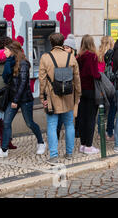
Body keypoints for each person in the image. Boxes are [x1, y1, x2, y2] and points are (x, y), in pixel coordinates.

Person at [0, 41, 45, 158]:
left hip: (24, 100)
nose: (4, 52)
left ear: (13, 51)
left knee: (29, 123)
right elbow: (11, 83)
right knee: (6, 122)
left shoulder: (23, 64)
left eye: (6, 50)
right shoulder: (11, 63)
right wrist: (1, 91)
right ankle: (3, 150)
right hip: (13, 98)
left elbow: (23, 83)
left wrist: (15, 100)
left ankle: (41, 142)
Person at [39, 33, 81, 165]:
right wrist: (78, 95)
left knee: (51, 125)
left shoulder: (45, 58)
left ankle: (54, 156)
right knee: (69, 124)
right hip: (68, 95)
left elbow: (42, 80)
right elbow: (77, 79)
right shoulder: (71, 57)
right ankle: (69, 153)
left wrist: (41, 96)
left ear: (51, 43)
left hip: (52, 97)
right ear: (63, 43)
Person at [76, 35, 101, 155]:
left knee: (82, 118)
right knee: (91, 119)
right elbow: (94, 73)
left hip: (81, 90)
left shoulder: (79, 57)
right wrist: (100, 76)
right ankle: (89, 146)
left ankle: (82, 144)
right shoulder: (92, 56)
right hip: (91, 90)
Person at [57, 34, 77, 139]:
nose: (65, 49)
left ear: (72, 49)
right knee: (61, 114)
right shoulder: (63, 59)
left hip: (70, 91)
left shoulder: (74, 59)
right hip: (62, 89)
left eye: (67, 48)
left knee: (68, 116)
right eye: (64, 47)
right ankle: (58, 131)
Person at [97, 36, 117, 141]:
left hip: (100, 86)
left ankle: (101, 133)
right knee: (112, 110)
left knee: (102, 111)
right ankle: (110, 132)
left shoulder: (97, 55)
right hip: (110, 86)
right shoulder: (111, 55)